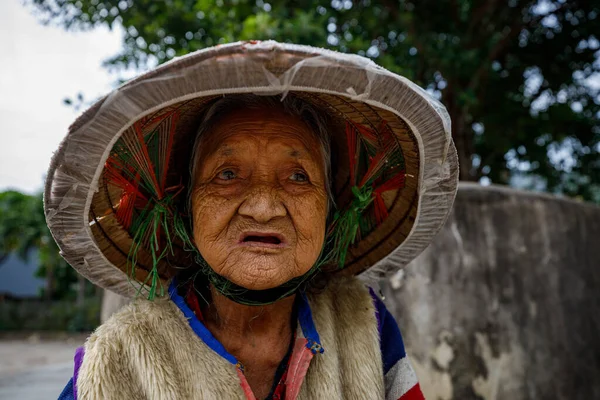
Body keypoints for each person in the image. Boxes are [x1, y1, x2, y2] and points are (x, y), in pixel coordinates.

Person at [48, 41, 458, 399]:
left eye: (298, 177)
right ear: (185, 205)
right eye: (227, 175)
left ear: (330, 210)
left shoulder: (363, 323)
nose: (263, 208)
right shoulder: (117, 359)